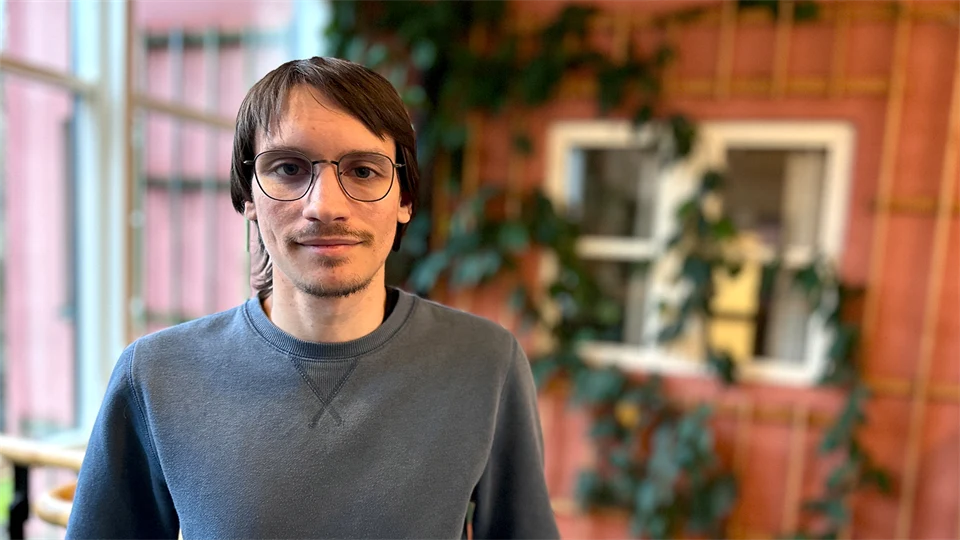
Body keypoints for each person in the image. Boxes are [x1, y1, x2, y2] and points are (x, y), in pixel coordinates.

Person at [66, 57, 560, 539]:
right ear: (248, 198)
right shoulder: (157, 374)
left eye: (363, 171)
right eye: (288, 168)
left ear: (405, 199)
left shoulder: (485, 362)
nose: (325, 206)